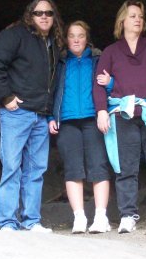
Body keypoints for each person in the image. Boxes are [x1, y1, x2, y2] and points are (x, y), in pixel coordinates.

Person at [93, 0, 146, 233]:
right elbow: (98, 85)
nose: (138, 19)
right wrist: (101, 110)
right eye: (132, 16)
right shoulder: (111, 52)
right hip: (123, 115)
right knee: (125, 168)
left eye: (140, 16)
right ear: (122, 21)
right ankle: (128, 215)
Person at [0, 0, 64, 232]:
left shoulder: (53, 43)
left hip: (40, 114)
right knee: (12, 166)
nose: (44, 17)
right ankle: (8, 222)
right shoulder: (15, 35)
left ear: (54, 16)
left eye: (49, 13)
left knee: (36, 169)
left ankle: (31, 220)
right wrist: (5, 96)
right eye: (39, 13)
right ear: (30, 15)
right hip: (17, 113)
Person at [48, 20, 112, 234]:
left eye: (81, 35)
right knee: (73, 168)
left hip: (93, 118)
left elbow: (112, 85)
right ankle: (79, 218)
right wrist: (51, 116)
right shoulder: (60, 62)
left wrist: (110, 83)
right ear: (66, 39)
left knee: (98, 166)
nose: (76, 39)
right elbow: (51, 90)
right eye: (72, 35)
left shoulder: (97, 59)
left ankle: (101, 217)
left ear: (87, 38)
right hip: (66, 120)